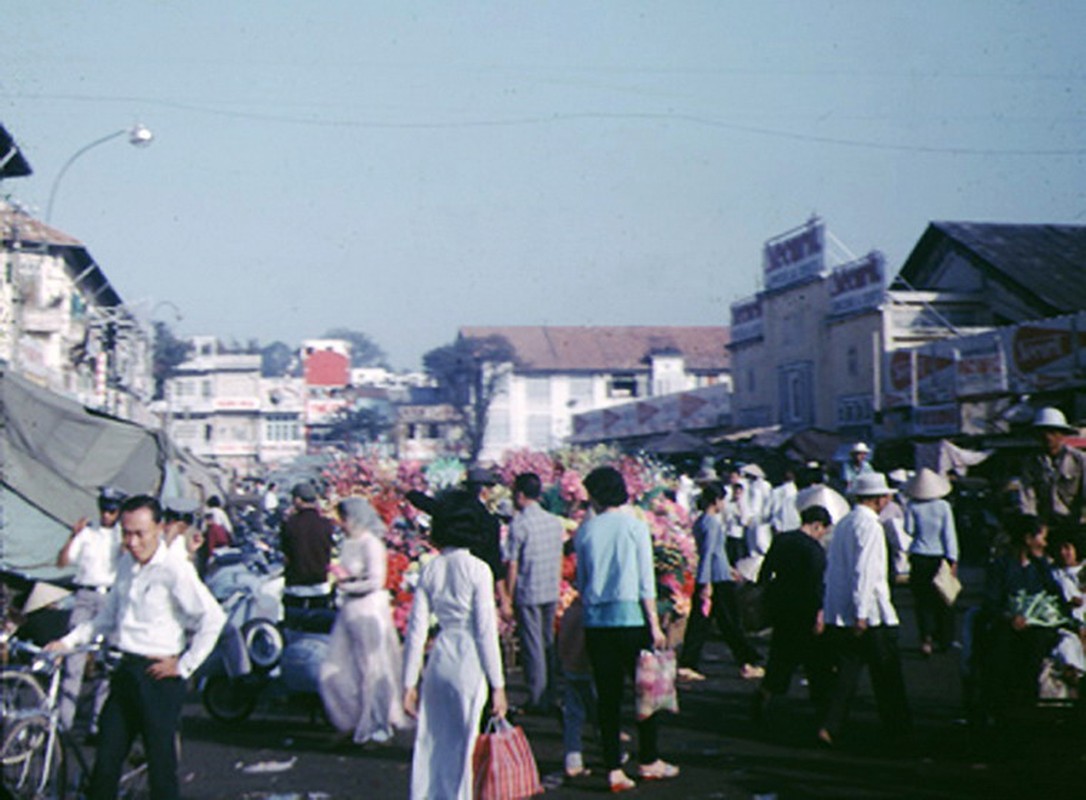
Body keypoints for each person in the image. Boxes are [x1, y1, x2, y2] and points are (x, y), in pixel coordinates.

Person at [47, 495, 225, 800]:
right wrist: (66, 642)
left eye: (139, 533)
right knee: (106, 761)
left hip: (158, 678)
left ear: (158, 528)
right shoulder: (127, 564)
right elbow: (106, 618)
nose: (132, 541)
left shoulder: (174, 569)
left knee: (160, 768)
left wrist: (183, 665)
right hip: (125, 671)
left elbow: (213, 618)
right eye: (126, 533)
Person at [575, 465, 678, 792]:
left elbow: (582, 581)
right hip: (633, 619)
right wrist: (654, 624)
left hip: (597, 622)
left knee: (607, 698)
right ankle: (649, 759)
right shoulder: (635, 527)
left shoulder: (585, 531)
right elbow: (646, 580)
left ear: (596, 494)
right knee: (645, 691)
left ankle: (613, 768)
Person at [402, 490, 507, 800]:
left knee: (431, 743)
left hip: (439, 660)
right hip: (469, 662)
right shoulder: (479, 570)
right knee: (464, 748)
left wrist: (409, 682)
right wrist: (499, 685)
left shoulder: (430, 569)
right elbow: (486, 632)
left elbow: (417, 630)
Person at [819, 472, 911, 747]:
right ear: (880, 499)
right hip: (871, 614)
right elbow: (865, 572)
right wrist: (861, 612)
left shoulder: (845, 522)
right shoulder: (870, 526)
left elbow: (835, 570)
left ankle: (831, 724)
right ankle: (898, 731)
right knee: (887, 676)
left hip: (844, 611)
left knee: (846, 674)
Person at [320, 497, 409, 745]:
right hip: (350, 609)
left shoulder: (371, 544)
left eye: (345, 518)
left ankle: (376, 721)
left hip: (368, 609)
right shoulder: (350, 543)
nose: (342, 524)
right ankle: (352, 717)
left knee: (372, 667)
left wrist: (346, 584)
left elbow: (376, 581)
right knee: (337, 668)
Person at [752, 504, 834, 723]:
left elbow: (765, 571)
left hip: (781, 605)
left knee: (780, 654)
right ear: (818, 525)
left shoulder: (782, 539)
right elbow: (817, 585)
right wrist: (820, 613)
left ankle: (767, 692)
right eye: (823, 530)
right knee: (815, 659)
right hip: (805, 608)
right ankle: (822, 707)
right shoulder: (814, 550)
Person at [54, 486, 126, 735]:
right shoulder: (87, 534)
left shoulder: (122, 536)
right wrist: (73, 537)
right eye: (104, 509)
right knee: (73, 658)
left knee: (107, 661)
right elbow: (63, 561)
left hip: (111, 596)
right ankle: (64, 723)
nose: (107, 515)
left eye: (112, 510)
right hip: (85, 595)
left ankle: (98, 723)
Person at [981, 513, 1067, 717]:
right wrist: (1009, 617)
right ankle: (1000, 706)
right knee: (1001, 647)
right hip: (1008, 624)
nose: (1044, 543)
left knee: (1037, 645)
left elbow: (1055, 596)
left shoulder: (1041, 568)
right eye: (1041, 537)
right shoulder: (1002, 566)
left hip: (1037, 627)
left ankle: (1029, 704)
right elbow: (991, 601)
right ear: (1028, 539)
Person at [678, 482, 764, 683]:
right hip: (715, 580)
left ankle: (689, 662)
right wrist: (706, 583)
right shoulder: (712, 523)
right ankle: (746, 661)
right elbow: (709, 553)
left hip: (715, 576)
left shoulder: (701, 521)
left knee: (705, 623)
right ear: (716, 501)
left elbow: (714, 553)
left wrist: (728, 570)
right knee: (730, 622)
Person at [503, 471, 565, 714]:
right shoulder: (553, 521)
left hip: (528, 591)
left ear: (519, 495)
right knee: (547, 641)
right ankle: (550, 693)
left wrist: (507, 596)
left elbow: (512, 564)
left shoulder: (519, 524)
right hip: (550, 588)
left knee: (532, 645)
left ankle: (538, 697)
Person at [903, 468, 959, 655]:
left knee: (922, 601)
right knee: (944, 599)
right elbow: (949, 535)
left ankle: (925, 639)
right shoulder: (943, 506)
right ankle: (945, 640)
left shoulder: (912, 506)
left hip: (919, 556)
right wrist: (953, 560)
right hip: (939, 557)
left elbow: (908, 530)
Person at [1019, 406, 1086, 541]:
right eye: (1043, 433)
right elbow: (1027, 493)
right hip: (1046, 524)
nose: (1048, 437)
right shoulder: (1031, 462)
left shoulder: (1079, 460)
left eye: (1053, 432)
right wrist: (1031, 519)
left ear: (1062, 434)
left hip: (1075, 523)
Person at [280, 481, 337, 620]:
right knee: (319, 628)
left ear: (298, 500)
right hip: (320, 584)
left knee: (293, 627)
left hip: (295, 584)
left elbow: (286, 555)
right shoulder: (326, 524)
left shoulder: (289, 524)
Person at [556, 595, 597, 780]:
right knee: (599, 711)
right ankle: (612, 751)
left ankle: (572, 757)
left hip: (571, 668)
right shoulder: (592, 614)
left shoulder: (570, 611)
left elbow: (561, 641)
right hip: (589, 669)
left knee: (573, 714)